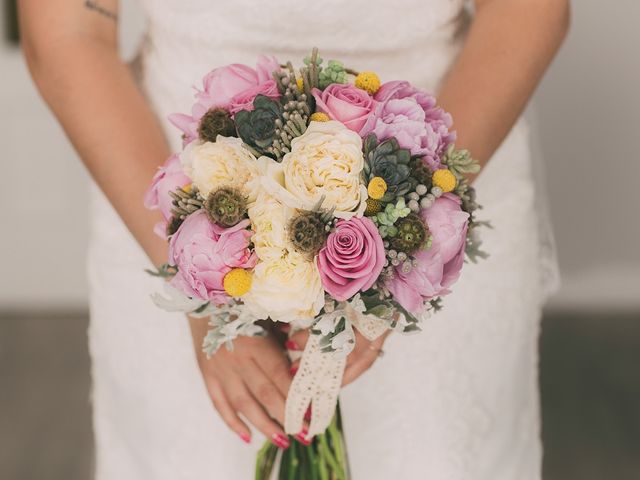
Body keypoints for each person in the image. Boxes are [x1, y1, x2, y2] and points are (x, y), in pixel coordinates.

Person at [19, 0, 569, 478]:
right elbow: (69, 32)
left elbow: (527, 8)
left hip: (446, 150)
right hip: (168, 179)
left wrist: (407, 237)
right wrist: (197, 273)